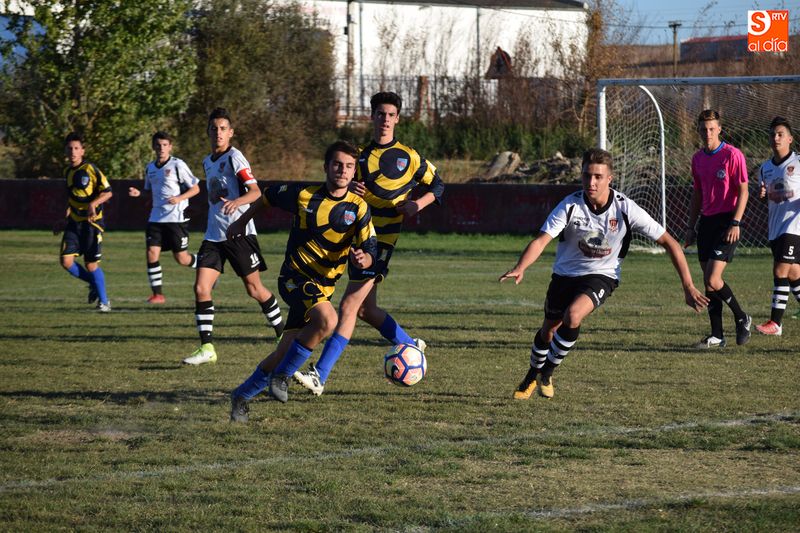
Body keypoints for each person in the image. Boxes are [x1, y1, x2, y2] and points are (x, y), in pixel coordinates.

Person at [501, 148, 708, 400]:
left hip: (602, 275)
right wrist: (521, 267)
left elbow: (670, 242)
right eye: (587, 175)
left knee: (573, 315)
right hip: (564, 276)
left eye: (598, 176)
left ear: (610, 178)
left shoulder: (625, 208)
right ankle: (532, 375)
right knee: (548, 330)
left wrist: (687, 285)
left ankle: (547, 372)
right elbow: (541, 241)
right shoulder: (570, 205)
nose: (591, 182)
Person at [292, 91, 444, 396]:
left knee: (349, 306)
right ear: (372, 116)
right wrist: (353, 191)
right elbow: (340, 191)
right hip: (355, 240)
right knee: (366, 310)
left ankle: (319, 375)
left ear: (397, 119)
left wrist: (418, 205)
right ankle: (410, 345)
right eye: (380, 114)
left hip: (380, 243)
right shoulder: (358, 158)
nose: (385, 119)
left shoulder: (410, 157)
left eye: (391, 114)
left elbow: (438, 185)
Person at [228, 141, 377, 422]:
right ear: (326, 167)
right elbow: (266, 196)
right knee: (328, 321)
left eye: (348, 166)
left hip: (323, 288)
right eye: (337, 165)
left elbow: (371, 247)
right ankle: (283, 377)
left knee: (282, 352)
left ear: (354, 171)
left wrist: (364, 260)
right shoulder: (303, 195)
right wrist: (241, 222)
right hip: (295, 278)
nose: (342, 171)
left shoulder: (358, 207)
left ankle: (241, 396)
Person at [182, 108, 283, 366]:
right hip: (213, 236)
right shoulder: (207, 161)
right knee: (201, 288)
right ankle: (207, 347)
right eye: (214, 128)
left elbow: (256, 192)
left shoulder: (235, 158)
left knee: (254, 289)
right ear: (208, 132)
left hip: (238, 232)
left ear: (231, 132)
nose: (218, 133)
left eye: (223, 128)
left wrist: (237, 202)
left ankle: (283, 335)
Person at [683, 109, 752, 349]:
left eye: (712, 129)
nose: (707, 133)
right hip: (707, 222)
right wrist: (691, 227)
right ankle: (717, 335)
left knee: (714, 277)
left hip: (727, 221)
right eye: (703, 129)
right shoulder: (697, 159)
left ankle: (742, 316)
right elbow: (697, 194)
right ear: (699, 131)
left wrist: (736, 222)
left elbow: (744, 190)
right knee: (708, 282)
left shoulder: (733, 155)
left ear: (720, 129)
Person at [128, 131, 200, 303]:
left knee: (181, 258)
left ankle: (208, 266)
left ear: (170, 147)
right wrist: (139, 194)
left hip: (176, 219)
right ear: (153, 147)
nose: (161, 148)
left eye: (165, 145)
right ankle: (157, 294)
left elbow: (196, 188)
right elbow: (148, 192)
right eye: (158, 145)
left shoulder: (177, 165)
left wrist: (179, 198)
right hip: (156, 218)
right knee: (152, 253)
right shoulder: (150, 168)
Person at [56, 132, 113, 312]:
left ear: (82, 151)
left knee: (91, 264)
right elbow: (71, 198)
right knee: (66, 261)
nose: (73, 152)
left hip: (92, 223)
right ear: (65, 151)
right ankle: (95, 284)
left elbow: (108, 192)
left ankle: (104, 303)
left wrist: (93, 204)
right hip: (74, 222)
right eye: (69, 148)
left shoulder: (91, 169)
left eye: (76, 148)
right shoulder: (67, 172)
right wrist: (63, 219)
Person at [755, 116, 800, 335]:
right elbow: (766, 198)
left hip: (795, 227)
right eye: (773, 134)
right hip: (776, 228)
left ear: (790, 139)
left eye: (780, 134)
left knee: (780, 269)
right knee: (793, 273)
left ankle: (775, 323)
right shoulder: (764, 168)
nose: (776, 138)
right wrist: (763, 195)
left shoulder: (798, 163)